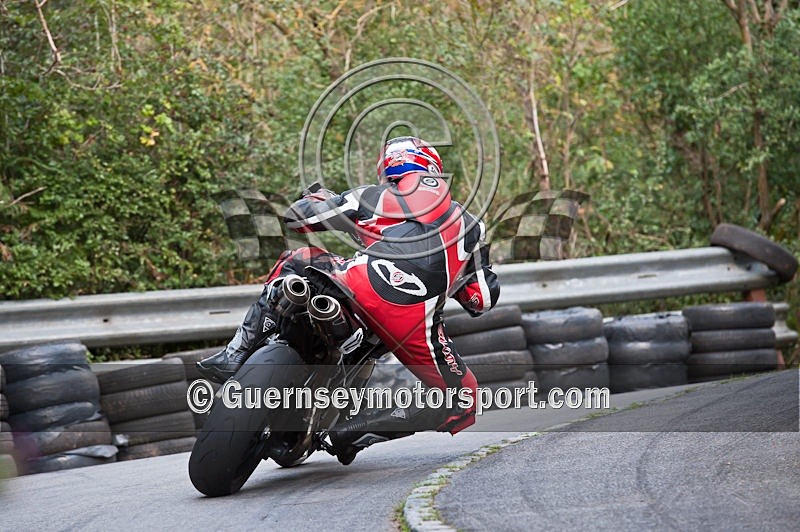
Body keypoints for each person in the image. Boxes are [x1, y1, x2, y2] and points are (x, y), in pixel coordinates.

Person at [198, 136, 500, 464]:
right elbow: (481, 301)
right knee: (464, 401)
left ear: (389, 169)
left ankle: (236, 352)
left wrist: (320, 198)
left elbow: (298, 219)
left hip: (356, 283)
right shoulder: (473, 227)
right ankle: (356, 430)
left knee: (297, 259)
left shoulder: (372, 196)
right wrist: (453, 274)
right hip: (413, 324)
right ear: (434, 169)